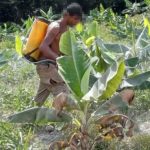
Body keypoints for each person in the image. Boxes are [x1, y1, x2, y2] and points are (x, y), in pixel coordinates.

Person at [34, 3, 83, 107]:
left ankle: (30, 119)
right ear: (67, 15)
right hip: (47, 66)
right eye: (75, 19)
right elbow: (43, 47)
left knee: (39, 99)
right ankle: (67, 122)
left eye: (78, 19)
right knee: (63, 95)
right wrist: (59, 59)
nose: (77, 22)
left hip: (50, 67)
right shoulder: (55, 27)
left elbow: (60, 48)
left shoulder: (65, 28)